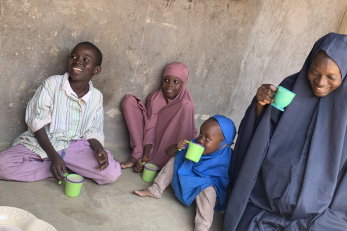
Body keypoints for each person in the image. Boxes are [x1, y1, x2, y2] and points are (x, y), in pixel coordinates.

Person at [224, 33, 347, 230]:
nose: (320, 82)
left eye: (331, 77)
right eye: (315, 72)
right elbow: (260, 135)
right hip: (262, 205)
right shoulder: (289, 89)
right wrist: (260, 105)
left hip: (316, 218)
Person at [0, 42, 121, 185]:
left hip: (74, 146)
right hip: (43, 141)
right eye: (74, 56)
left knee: (111, 173)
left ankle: (61, 165)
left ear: (96, 70)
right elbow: (36, 122)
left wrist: (97, 147)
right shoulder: (52, 83)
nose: (78, 61)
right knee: (2, 166)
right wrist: (53, 157)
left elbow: (93, 130)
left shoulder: (96, 96)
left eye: (85, 59)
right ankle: (58, 167)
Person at [134, 115, 236, 231]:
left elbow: (229, 185)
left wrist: (228, 211)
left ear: (224, 144)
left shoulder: (228, 158)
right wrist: (177, 147)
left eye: (207, 138)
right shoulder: (194, 144)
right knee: (176, 159)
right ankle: (156, 189)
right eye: (201, 134)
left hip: (206, 194)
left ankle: (202, 225)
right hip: (188, 185)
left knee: (209, 189)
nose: (201, 140)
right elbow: (168, 152)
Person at [120, 61, 197, 172]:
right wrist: (146, 154)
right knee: (129, 101)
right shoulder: (155, 98)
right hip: (149, 139)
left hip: (169, 146)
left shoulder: (186, 104)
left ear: (183, 84)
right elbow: (149, 127)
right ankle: (139, 153)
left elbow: (186, 135)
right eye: (166, 80)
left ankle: (169, 161)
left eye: (176, 81)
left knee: (185, 105)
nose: (169, 84)